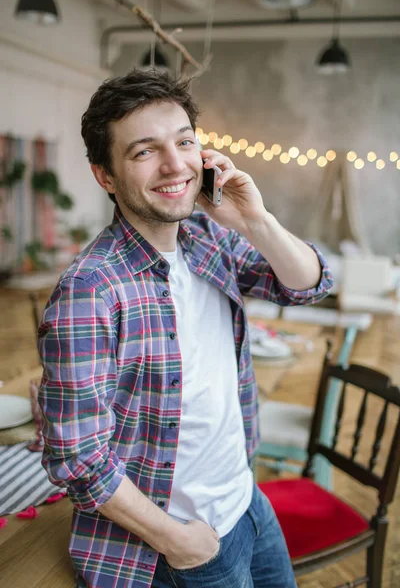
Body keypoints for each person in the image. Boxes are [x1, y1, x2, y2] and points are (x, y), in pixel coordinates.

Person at [38, 69, 333, 588]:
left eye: (185, 142)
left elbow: (309, 284)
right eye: (144, 151)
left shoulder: (205, 237)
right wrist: (178, 540)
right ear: (104, 175)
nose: (176, 164)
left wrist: (254, 220)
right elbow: (78, 459)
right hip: (180, 548)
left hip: (248, 503)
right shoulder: (91, 289)